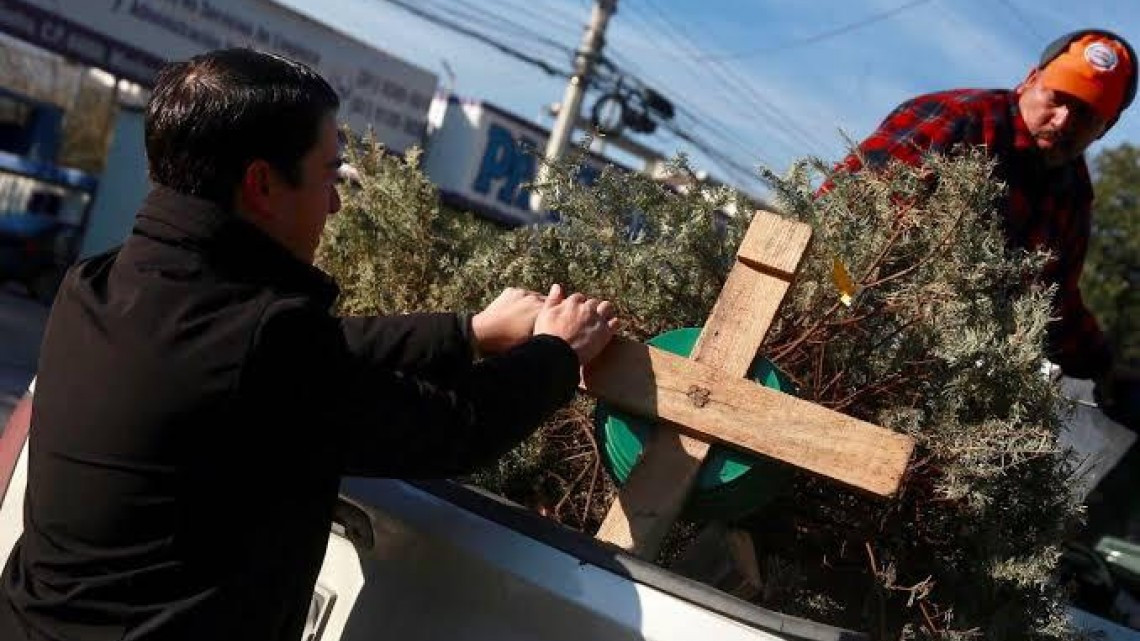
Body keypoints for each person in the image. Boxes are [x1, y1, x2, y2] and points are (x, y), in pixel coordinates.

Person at [0, 48, 617, 640]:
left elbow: (316, 355)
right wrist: (556, 352)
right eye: (328, 175)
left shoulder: (101, 284)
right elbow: (453, 428)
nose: (336, 202)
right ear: (262, 184)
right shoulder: (264, 340)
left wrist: (467, 333)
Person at [834, 28, 1139, 427]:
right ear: (1031, 79)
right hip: (845, 318)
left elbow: (1053, 301)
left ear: (1106, 127)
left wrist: (1103, 367)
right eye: (1058, 98)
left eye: (1085, 114)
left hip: (928, 374)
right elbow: (841, 217)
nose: (1063, 120)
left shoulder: (1073, 194)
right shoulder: (957, 121)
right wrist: (841, 310)